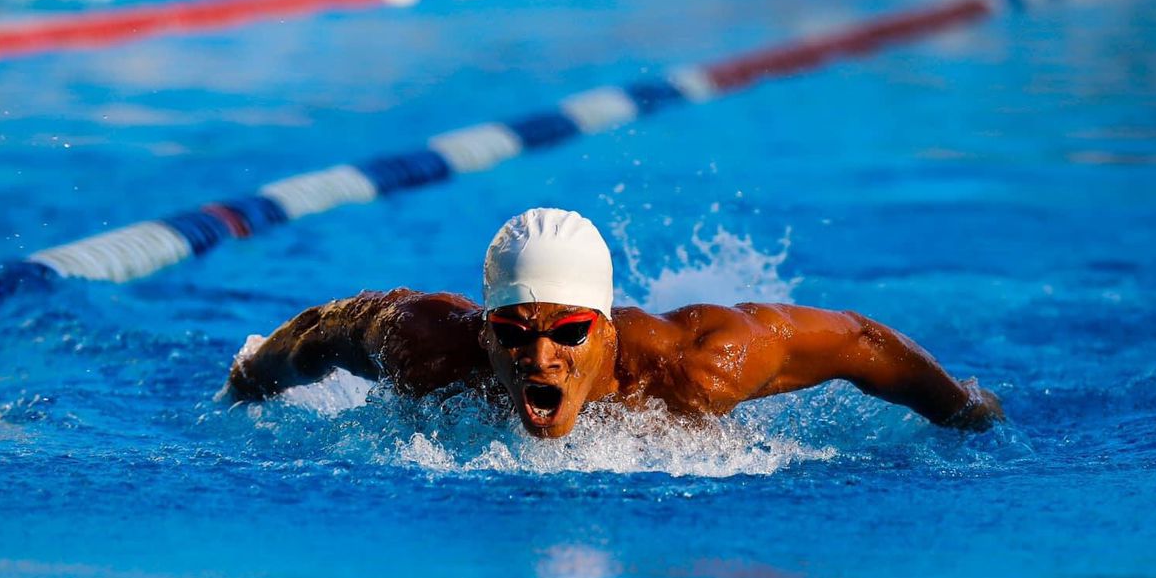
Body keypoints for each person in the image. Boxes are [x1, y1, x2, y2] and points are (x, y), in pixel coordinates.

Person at [225, 208, 1003, 437]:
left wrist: (961, 410)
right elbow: (328, 328)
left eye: (567, 332)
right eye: (515, 333)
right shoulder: (429, 346)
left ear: (604, 330)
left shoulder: (691, 368)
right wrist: (253, 379)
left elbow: (857, 343)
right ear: (486, 328)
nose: (539, 357)